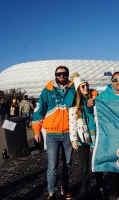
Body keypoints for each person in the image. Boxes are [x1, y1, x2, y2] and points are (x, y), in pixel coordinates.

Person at [32, 66, 76, 200]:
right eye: (59, 74)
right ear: (55, 75)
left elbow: (86, 95)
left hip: (68, 133)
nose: (61, 76)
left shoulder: (74, 88)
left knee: (67, 164)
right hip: (52, 134)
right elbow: (39, 110)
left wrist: (94, 95)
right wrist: (37, 130)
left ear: (68, 75)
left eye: (64, 74)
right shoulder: (48, 90)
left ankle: (65, 187)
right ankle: (51, 191)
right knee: (52, 166)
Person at [96, 71, 119, 200]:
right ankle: (114, 193)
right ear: (111, 81)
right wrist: (89, 104)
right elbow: (92, 110)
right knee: (113, 164)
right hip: (111, 135)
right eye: (115, 80)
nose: (118, 82)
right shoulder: (103, 96)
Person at [68, 73, 104, 198]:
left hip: (95, 137)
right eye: (82, 86)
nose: (86, 88)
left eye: (87, 86)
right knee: (84, 166)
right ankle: (86, 186)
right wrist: (73, 140)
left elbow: (96, 112)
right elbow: (72, 123)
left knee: (97, 163)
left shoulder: (95, 101)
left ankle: (101, 185)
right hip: (82, 138)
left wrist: (92, 104)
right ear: (78, 89)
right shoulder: (74, 106)